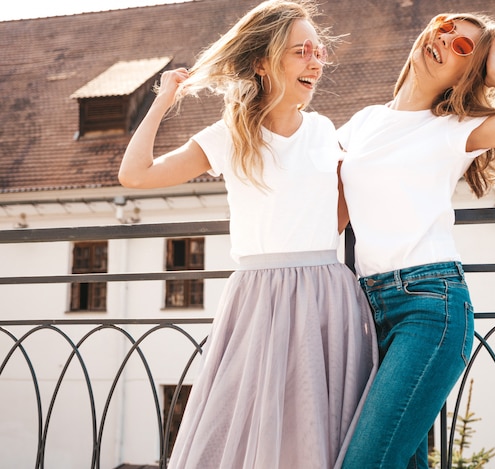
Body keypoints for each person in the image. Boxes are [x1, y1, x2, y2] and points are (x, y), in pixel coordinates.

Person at [118, 1, 377, 468]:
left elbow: (338, 208)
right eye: (302, 51)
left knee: (316, 430)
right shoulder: (229, 135)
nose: (316, 62)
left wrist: (309, 256)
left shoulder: (324, 131)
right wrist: (162, 101)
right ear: (262, 62)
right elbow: (135, 175)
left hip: (327, 294)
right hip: (258, 296)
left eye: (319, 52)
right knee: (243, 423)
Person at [336, 12, 495, 469]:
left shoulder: (454, 129)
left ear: (467, 73)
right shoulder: (363, 122)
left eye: (463, 48)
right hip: (366, 310)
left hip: (429, 307)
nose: (445, 40)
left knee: (364, 461)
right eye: (445, 28)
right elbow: (327, 211)